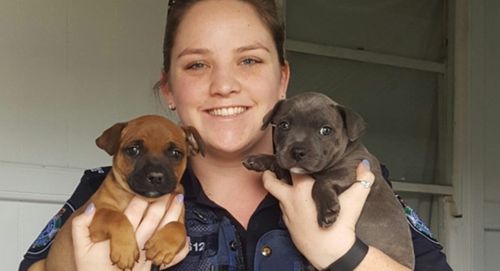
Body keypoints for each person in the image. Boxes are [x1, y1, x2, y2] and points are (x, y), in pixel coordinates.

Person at [20, 0, 452, 270]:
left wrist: (345, 256)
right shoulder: (106, 187)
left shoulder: (355, 183)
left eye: (249, 61)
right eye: (196, 64)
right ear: (168, 89)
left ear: (282, 80)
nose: (224, 84)